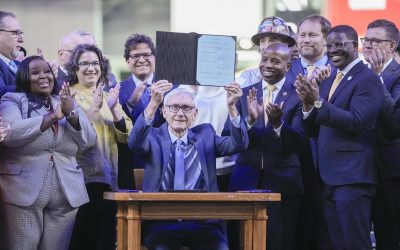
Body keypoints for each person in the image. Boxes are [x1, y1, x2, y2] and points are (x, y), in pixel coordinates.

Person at [295, 25, 384, 249]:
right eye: (330, 45)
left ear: (355, 46)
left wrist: (317, 102)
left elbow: (358, 122)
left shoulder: (367, 79)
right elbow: (319, 126)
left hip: (353, 178)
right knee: (336, 243)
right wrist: (307, 105)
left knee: (354, 243)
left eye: (339, 45)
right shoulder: (331, 77)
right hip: (327, 177)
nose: (333, 50)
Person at [128, 84, 248, 250]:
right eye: (174, 107)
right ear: (164, 112)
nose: (180, 113)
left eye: (186, 108)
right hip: (161, 222)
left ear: (195, 113)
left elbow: (239, 144)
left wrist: (232, 108)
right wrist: (153, 103)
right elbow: (134, 143)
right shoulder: (153, 136)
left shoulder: (206, 134)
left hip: (202, 222)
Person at [0, 55, 96, 250]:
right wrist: (52, 117)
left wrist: (71, 114)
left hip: (65, 191)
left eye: (47, 71)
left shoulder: (65, 101)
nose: (43, 76)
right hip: (23, 191)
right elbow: (9, 134)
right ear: (23, 77)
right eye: (35, 73)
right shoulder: (13, 100)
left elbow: (89, 140)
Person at [229, 43, 307, 249]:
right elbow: (235, 141)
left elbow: (299, 142)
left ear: (288, 66)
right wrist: (251, 121)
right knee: (243, 241)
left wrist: (278, 124)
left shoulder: (298, 95)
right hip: (246, 179)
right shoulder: (245, 94)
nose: (267, 65)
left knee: (280, 241)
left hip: (283, 181)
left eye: (275, 61)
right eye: (264, 59)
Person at [67, 44, 132, 250]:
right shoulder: (68, 95)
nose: (90, 68)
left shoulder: (106, 96)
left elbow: (127, 136)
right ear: (75, 69)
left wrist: (114, 110)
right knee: (84, 239)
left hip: (108, 178)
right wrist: (94, 108)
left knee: (104, 239)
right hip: (81, 180)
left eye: (95, 63)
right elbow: (75, 135)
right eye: (84, 63)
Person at [361, 19, 400, 250]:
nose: (368, 45)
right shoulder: (357, 73)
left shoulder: (396, 75)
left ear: (391, 46)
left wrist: (376, 79)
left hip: (389, 171)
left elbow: (394, 122)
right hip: (358, 170)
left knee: (388, 237)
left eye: (375, 41)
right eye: (366, 40)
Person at [237, 16, 296, 87]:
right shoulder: (248, 76)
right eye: (262, 41)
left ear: (286, 45)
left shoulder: (298, 75)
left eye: (273, 40)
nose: (266, 45)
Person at [288, 15, 333, 79]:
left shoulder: (338, 70)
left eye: (312, 35)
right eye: (302, 35)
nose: (306, 40)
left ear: (326, 39)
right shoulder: (286, 70)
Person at [0, 11, 24, 98]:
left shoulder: (19, 65)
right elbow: (1, 93)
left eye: (21, 34)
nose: (21, 40)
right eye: (15, 33)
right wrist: (33, 84)